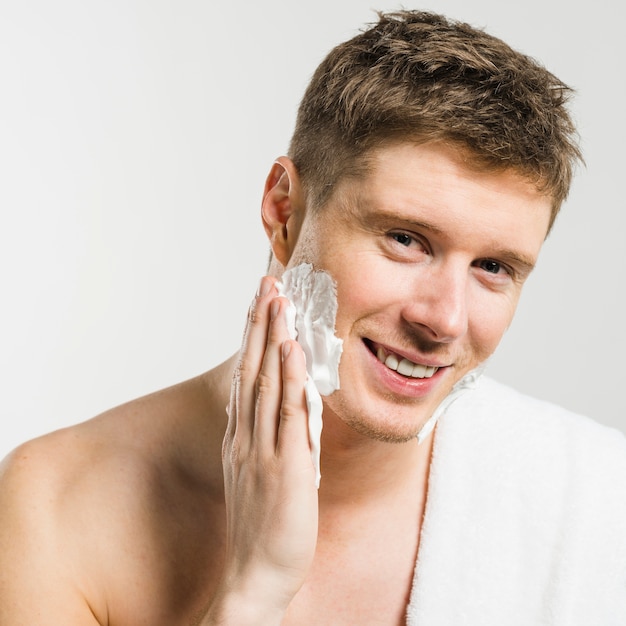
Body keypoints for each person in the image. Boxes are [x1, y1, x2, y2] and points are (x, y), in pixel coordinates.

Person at [0, 9, 624, 625]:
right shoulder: (56, 512)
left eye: (494, 267)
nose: (446, 321)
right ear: (283, 209)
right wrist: (253, 591)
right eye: (406, 239)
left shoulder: (594, 505)